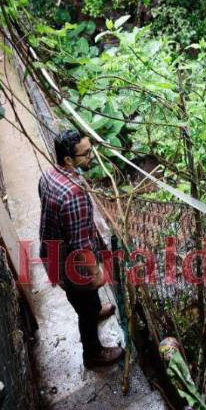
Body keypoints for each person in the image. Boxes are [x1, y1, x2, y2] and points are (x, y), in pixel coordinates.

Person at [38, 130, 124, 368]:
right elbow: (80, 245)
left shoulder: (49, 175)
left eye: (90, 150)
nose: (91, 156)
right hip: (72, 264)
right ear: (68, 159)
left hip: (53, 254)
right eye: (86, 154)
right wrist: (96, 273)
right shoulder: (74, 193)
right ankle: (93, 353)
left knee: (84, 300)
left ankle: (94, 309)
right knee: (85, 306)